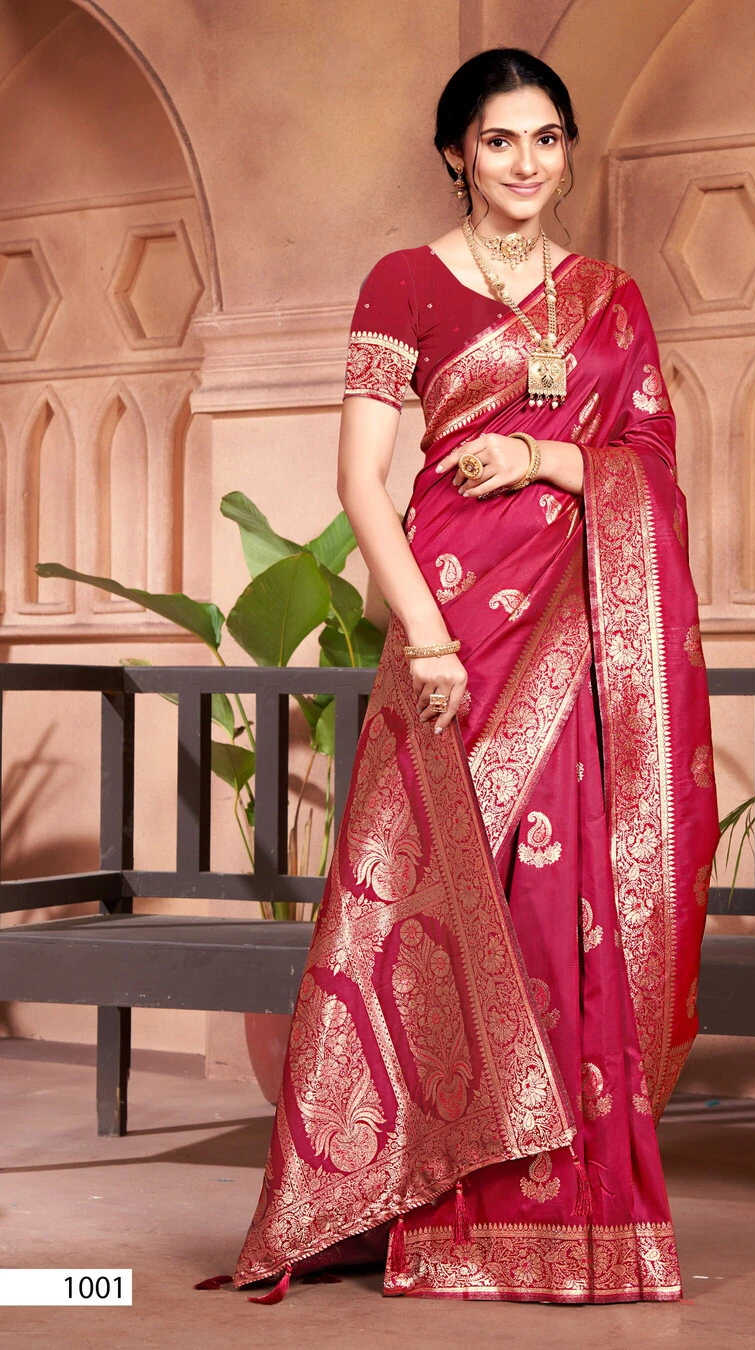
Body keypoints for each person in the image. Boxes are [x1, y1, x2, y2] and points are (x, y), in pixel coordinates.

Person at [203, 46, 720, 1306]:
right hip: (454, 627)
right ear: (456, 153)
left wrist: (545, 458)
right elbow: (359, 480)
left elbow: (650, 462)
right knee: (432, 906)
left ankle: (575, 1227)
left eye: (547, 138)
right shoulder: (404, 283)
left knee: (562, 911)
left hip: (578, 630)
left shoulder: (613, 297)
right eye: (499, 140)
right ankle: (428, 1213)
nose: (526, 163)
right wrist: (426, 638)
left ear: (567, 150)